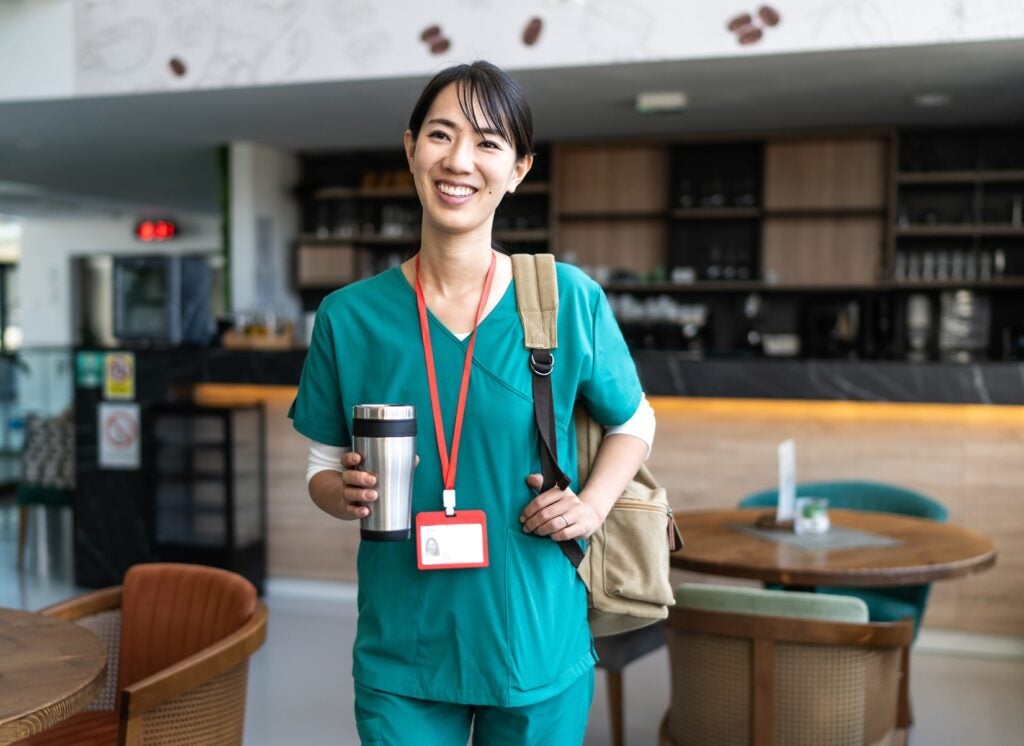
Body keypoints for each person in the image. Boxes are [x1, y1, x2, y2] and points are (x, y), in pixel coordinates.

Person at [290, 60, 655, 745]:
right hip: (403, 649)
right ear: (410, 147)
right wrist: (337, 492)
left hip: (534, 642)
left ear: (518, 169)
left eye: (489, 143)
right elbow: (318, 464)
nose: (460, 160)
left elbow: (634, 420)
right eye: (441, 134)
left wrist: (594, 503)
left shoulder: (565, 299)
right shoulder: (349, 317)